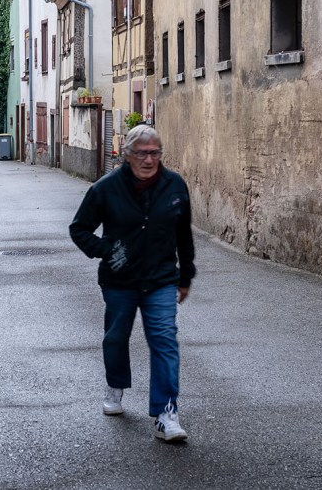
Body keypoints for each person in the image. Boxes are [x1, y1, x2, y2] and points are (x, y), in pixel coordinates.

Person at [69, 124, 195, 442]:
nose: (148, 160)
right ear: (127, 154)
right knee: (116, 337)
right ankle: (115, 385)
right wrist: (106, 250)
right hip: (120, 280)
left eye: (154, 153)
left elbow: (183, 234)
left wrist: (186, 275)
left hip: (161, 279)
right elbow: (79, 228)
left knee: (164, 340)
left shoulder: (174, 185)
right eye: (141, 153)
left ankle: (166, 413)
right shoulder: (106, 188)